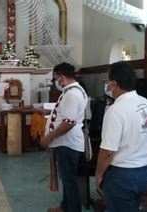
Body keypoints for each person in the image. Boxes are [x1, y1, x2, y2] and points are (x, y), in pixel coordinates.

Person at [95, 61, 147, 211]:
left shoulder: (116, 110)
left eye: (107, 81)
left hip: (122, 176)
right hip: (144, 172)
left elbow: (108, 151)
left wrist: (98, 174)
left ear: (114, 84)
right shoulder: (145, 102)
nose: (106, 85)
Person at [38, 63, 87, 212]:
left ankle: (73, 209)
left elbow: (68, 123)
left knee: (69, 181)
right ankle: (65, 207)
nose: (55, 82)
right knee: (67, 180)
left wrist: (49, 138)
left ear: (62, 77)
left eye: (55, 78)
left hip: (68, 144)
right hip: (66, 144)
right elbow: (64, 112)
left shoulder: (72, 94)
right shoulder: (72, 91)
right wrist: (48, 112)